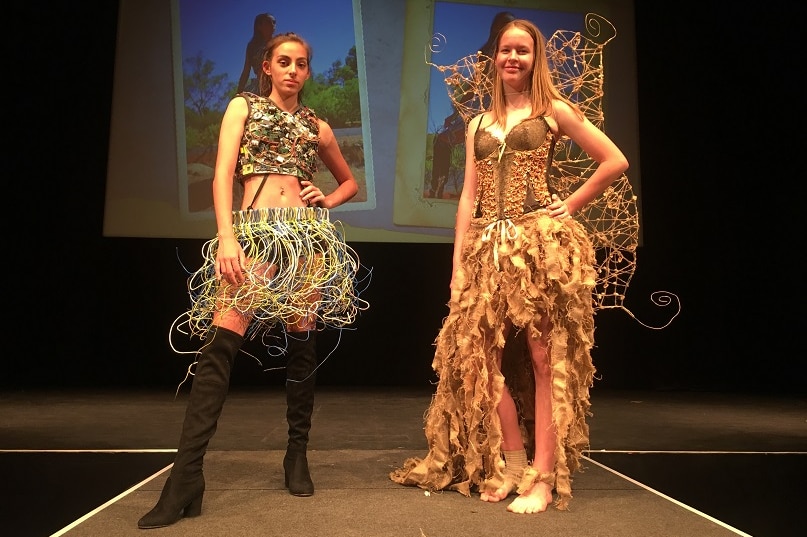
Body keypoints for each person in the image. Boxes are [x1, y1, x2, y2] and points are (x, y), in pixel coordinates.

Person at [390, 18, 629, 514]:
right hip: (487, 251)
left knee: (544, 359)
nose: (513, 58)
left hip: (539, 245)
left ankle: (543, 475)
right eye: (505, 50)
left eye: (522, 50)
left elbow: (614, 161)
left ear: (535, 58)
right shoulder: (478, 123)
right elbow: (467, 201)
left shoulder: (553, 111)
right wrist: (457, 264)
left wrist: (571, 204)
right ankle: (514, 460)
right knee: (480, 357)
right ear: (494, 58)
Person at [138, 32, 367, 529]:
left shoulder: (316, 126)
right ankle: (186, 477)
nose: (292, 70)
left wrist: (327, 198)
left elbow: (350, 182)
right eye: (283, 61)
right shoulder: (243, 107)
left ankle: (296, 455)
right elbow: (222, 174)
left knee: (302, 345)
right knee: (221, 345)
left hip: (306, 240)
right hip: (256, 235)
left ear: (308, 72)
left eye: (301, 64)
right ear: (266, 66)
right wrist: (226, 236)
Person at [236, 13, 276, 93]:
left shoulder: (278, 43)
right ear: (259, 26)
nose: (272, 25)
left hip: (276, 83)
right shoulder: (252, 47)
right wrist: (239, 92)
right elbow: (246, 71)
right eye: (268, 22)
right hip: (259, 86)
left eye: (274, 22)